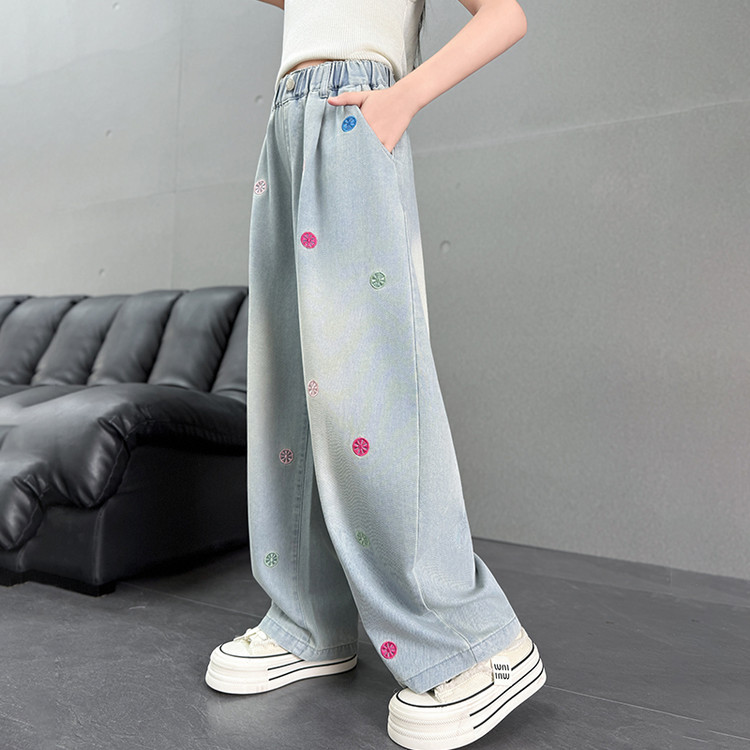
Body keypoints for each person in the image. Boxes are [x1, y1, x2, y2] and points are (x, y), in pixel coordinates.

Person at [205, 1, 545, 748]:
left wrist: (403, 97)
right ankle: (308, 620)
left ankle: (477, 643)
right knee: (288, 389)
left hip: (355, 112)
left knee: (368, 386)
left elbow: (505, 15)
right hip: (287, 121)